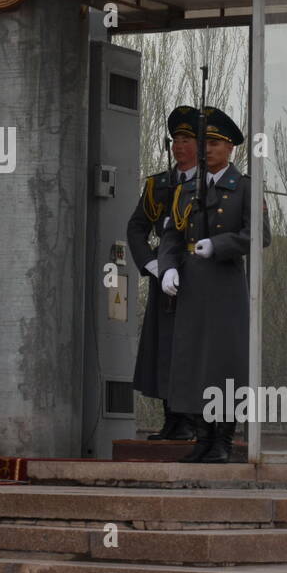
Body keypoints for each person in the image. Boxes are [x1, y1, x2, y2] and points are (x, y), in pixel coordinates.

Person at [158, 106, 270, 463]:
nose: (207, 150)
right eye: (204, 143)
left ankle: (223, 438)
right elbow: (172, 236)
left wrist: (219, 246)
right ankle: (202, 436)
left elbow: (260, 236)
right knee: (194, 364)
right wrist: (167, 269)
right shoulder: (187, 188)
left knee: (224, 364)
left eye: (215, 144)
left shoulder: (245, 188)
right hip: (192, 287)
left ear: (230, 149)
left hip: (224, 287)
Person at [127, 105, 200, 441]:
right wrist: (152, 264)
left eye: (186, 139)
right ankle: (171, 418)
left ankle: (192, 419)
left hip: (198, 274)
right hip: (165, 275)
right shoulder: (159, 184)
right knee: (165, 348)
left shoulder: (209, 184)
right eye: (175, 140)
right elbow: (137, 227)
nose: (178, 146)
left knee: (193, 348)